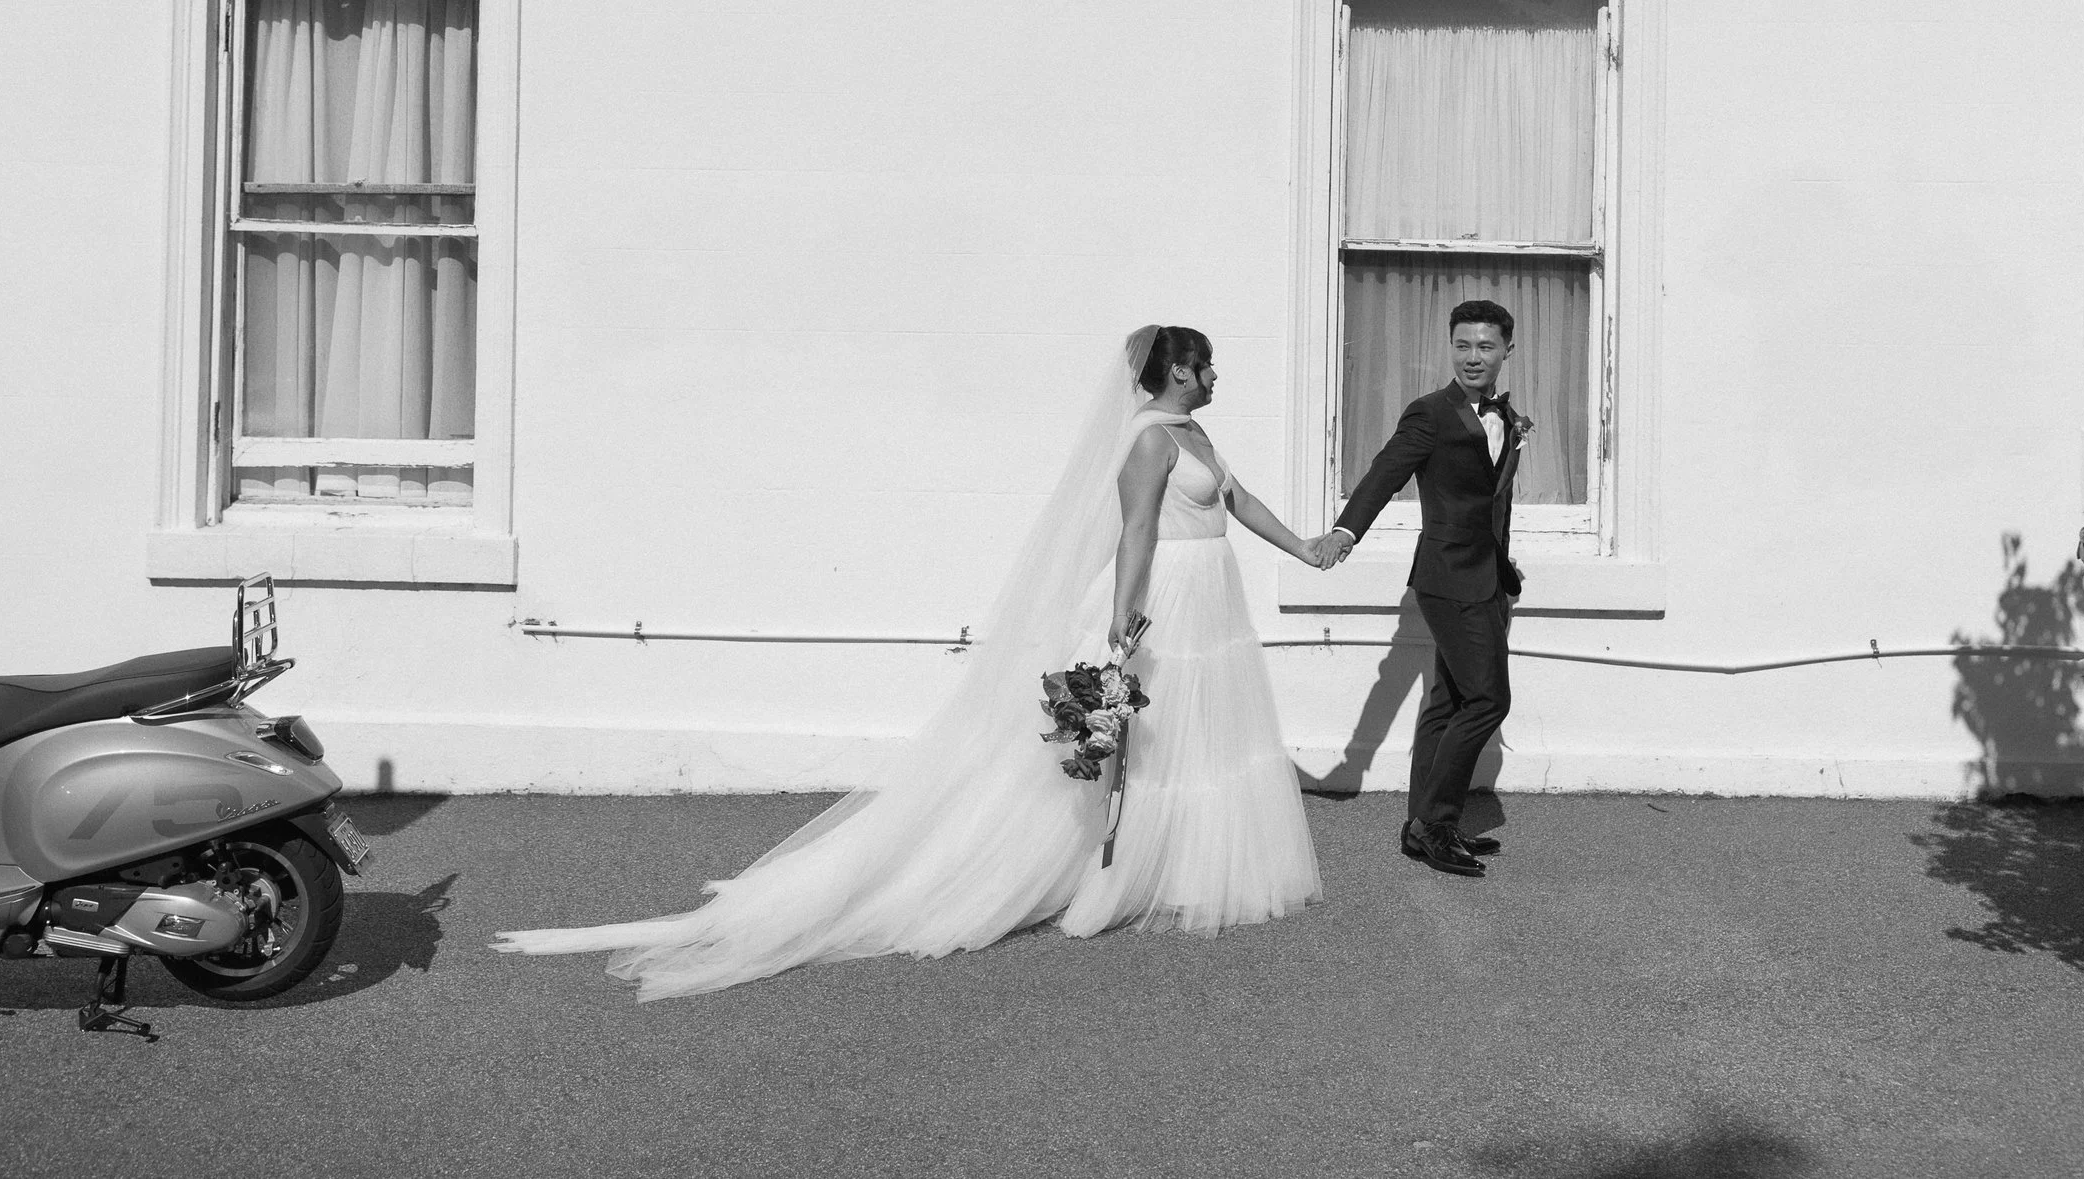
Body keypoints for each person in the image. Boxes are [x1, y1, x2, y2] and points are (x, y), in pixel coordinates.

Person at [493, 325, 1327, 999]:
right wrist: (1123, 615)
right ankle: (1109, 872)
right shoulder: (1149, 443)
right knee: (1139, 743)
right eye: (1205, 362)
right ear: (1174, 370)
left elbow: (1238, 498)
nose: (1216, 372)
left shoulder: (1195, 431)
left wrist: (1308, 548)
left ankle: (1176, 860)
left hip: (1210, 598)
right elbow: (1136, 529)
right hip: (1167, 597)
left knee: (1192, 737)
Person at [1311, 299, 1528, 879]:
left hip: (1486, 577)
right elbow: (1386, 470)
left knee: (1451, 700)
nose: (1472, 357)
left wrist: (1505, 570)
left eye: (1484, 346)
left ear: (1508, 350)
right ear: (1450, 348)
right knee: (1489, 700)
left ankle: (1425, 827)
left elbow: (1493, 503)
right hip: (1446, 577)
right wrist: (1346, 530)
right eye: (1462, 345)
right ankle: (1432, 824)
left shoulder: (1505, 418)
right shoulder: (1430, 412)